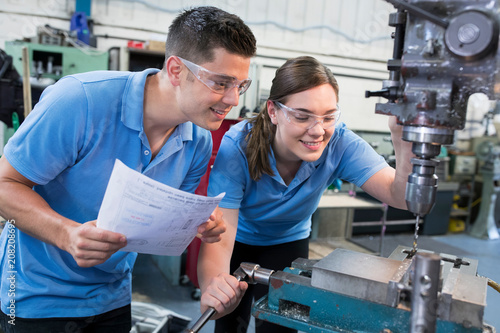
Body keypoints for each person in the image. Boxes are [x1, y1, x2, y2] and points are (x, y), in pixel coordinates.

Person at [0, 6, 256, 333]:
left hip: (113, 299)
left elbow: (157, 220)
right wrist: (67, 234)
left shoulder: (198, 142)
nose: (232, 99)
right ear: (176, 70)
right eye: (221, 83)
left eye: (240, 85)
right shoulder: (80, 100)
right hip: (36, 297)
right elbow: (5, 184)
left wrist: (195, 224)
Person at [197, 56, 414, 333]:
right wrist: (213, 289)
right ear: (273, 111)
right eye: (302, 116)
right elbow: (220, 235)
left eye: (328, 116)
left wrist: (402, 141)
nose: (317, 130)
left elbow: (400, 196)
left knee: (281, 327)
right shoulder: (238, 146)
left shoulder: (340, 144)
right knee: (228, 322)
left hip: (289, 241)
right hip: (238, 241)